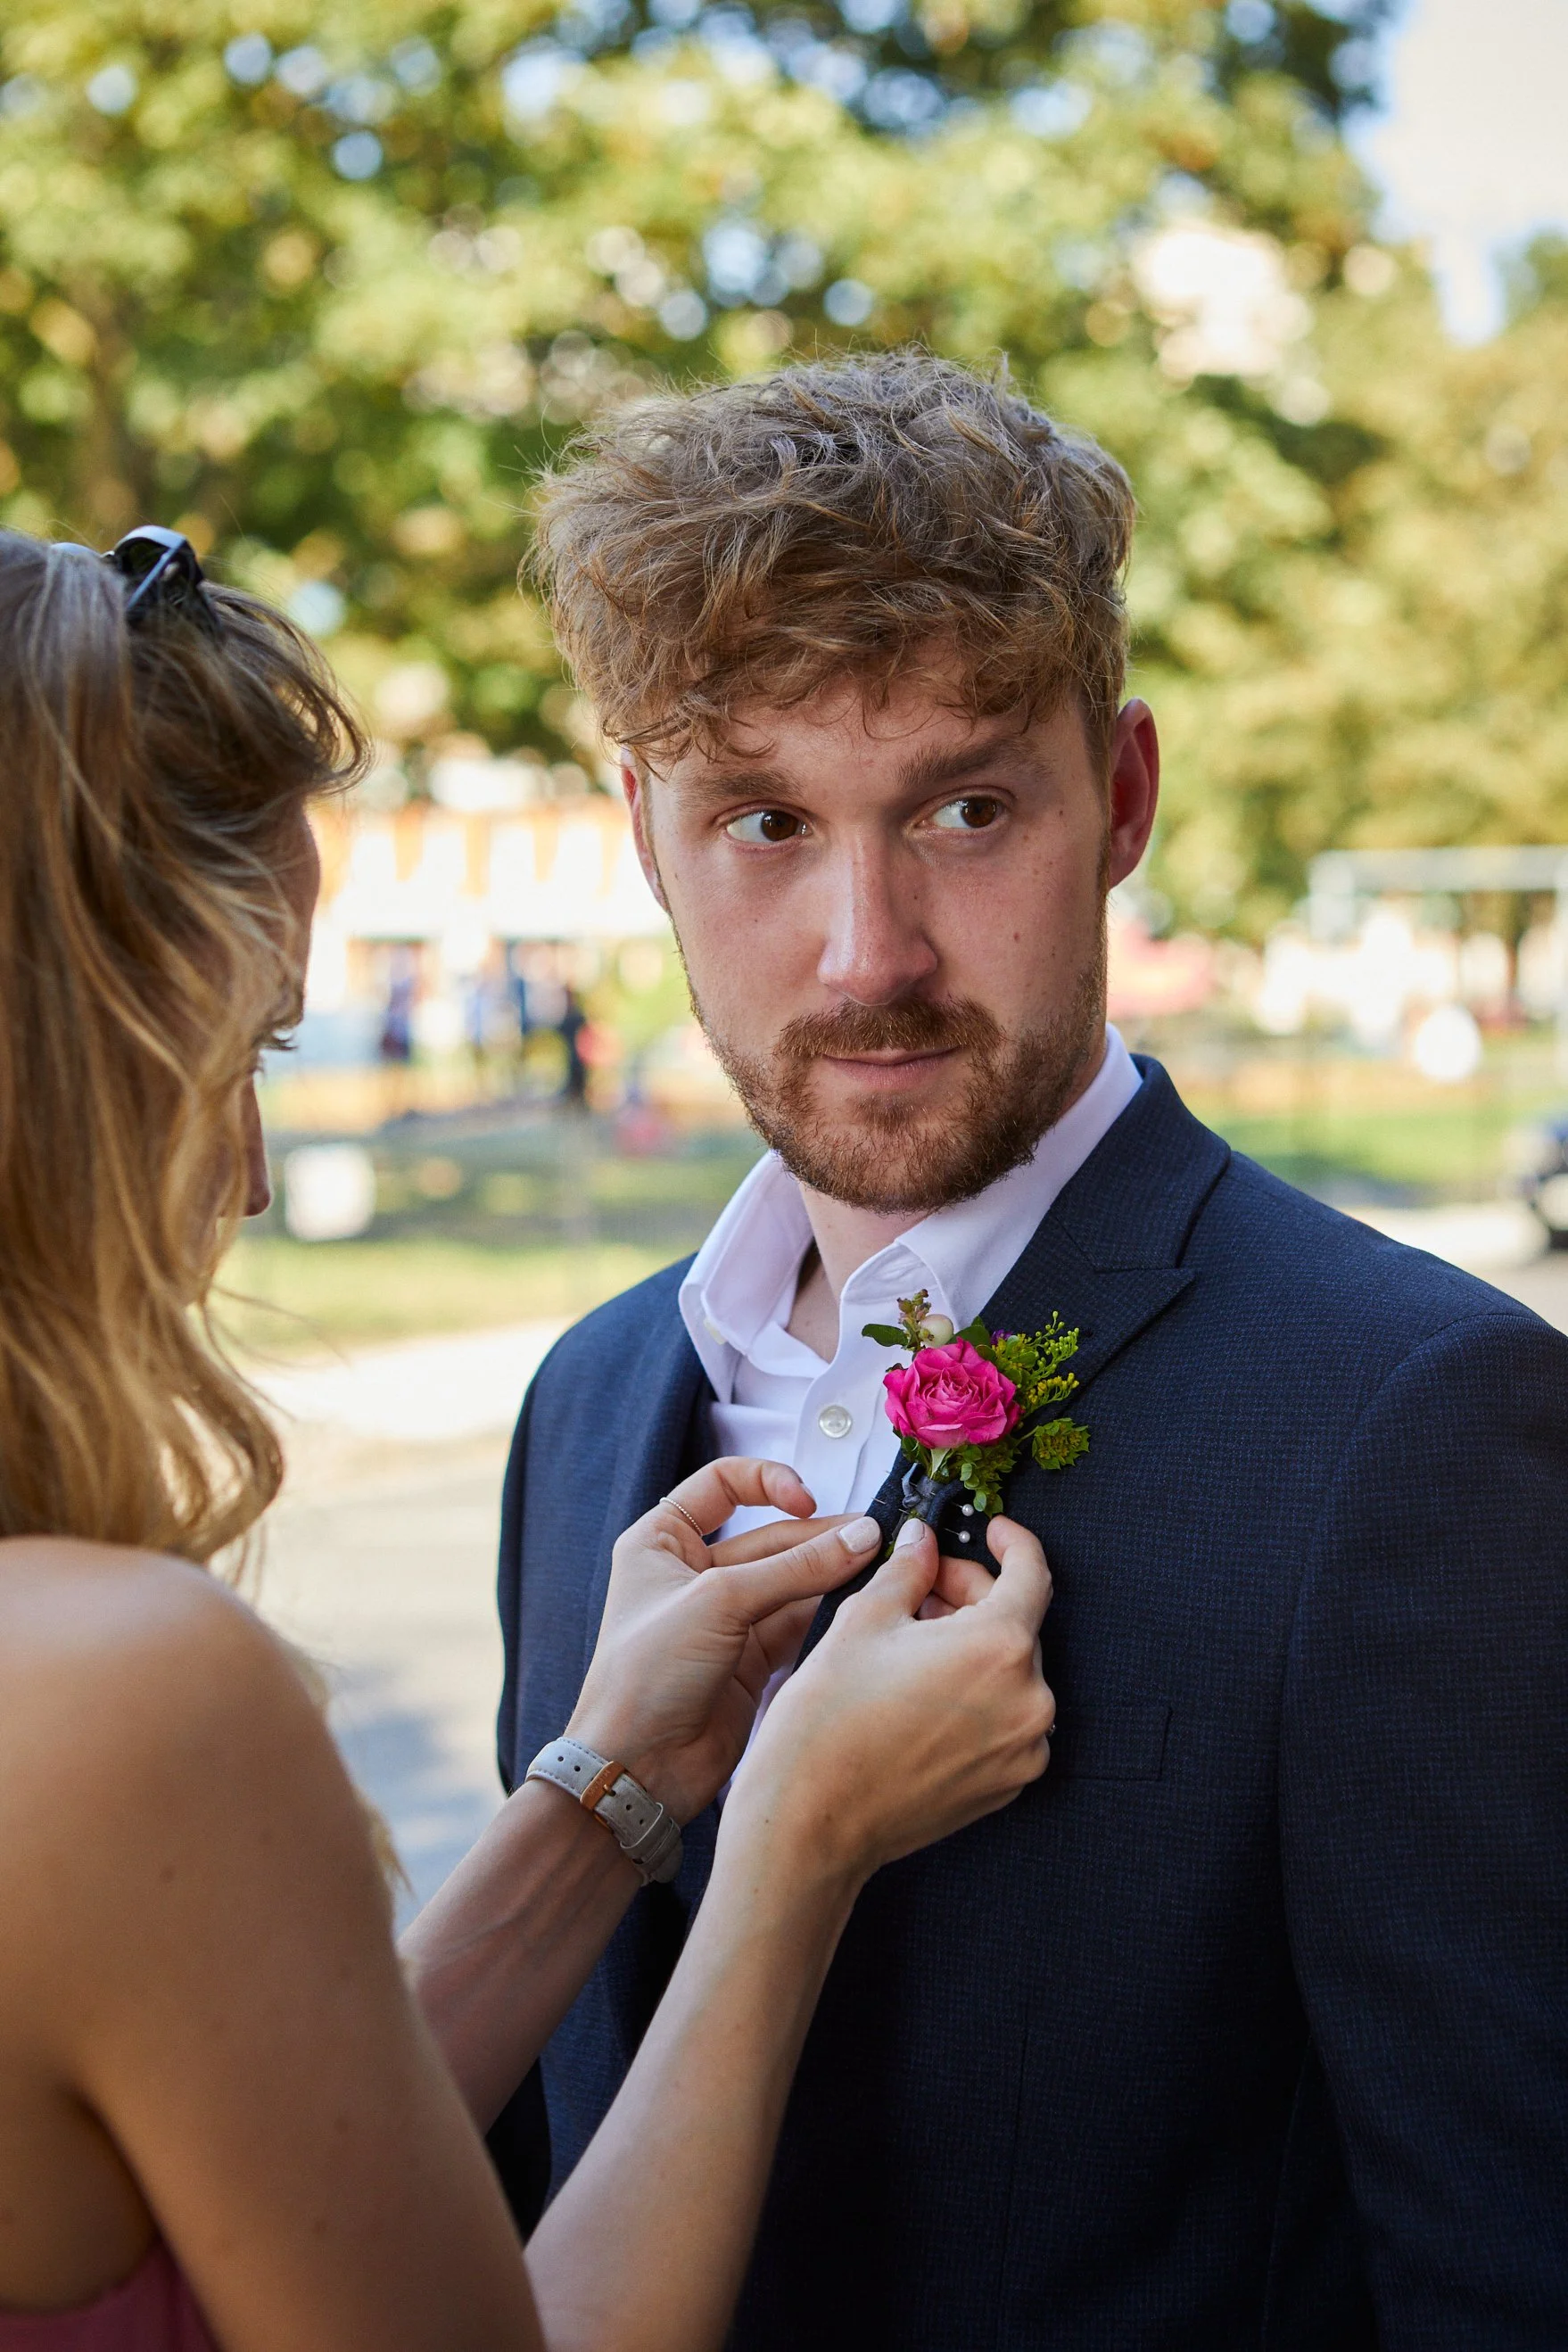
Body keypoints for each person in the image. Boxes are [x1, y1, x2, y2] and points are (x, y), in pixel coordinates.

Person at [493, 354, 1568, 2347]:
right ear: (644, 835)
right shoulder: (583, 1406)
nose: (866, 949)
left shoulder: (1416, 1423)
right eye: (763, 821)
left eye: (967, 807)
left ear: (1127, 795)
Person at [0, 524, 1057, 2348]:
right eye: (239, 1056)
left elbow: (249, 2148)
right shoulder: (119, 1698)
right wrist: (791, 1844)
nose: (246, 1172)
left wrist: (603, 1796)